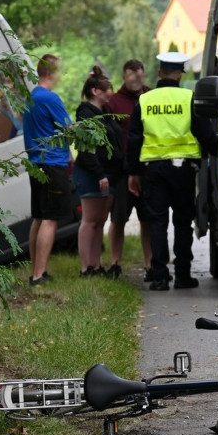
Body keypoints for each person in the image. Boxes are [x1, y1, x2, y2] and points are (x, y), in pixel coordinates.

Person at [127, 52, 216, 291]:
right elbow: (204, 132)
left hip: (153, 171)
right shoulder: (188, 97)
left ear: (159, 73)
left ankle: (159, 277)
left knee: (157, 222)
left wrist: (133, 173)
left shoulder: (144, 100)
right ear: (180, 74)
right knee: (182, 221)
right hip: (183, 170)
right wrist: (216, 150)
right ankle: (183, 275)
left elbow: (134, 140)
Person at [23, 54, 72, 285]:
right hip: (53, 163)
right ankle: (39, 275)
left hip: (36, 163)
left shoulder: (30, 97)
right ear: (51, 73)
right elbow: (69, 128)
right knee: (50, 219)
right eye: (59, 70)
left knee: (40, 217)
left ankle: (36, 270)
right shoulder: (50, 98)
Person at [72, 66, 125, 278]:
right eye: (107, 89)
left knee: (101, 220)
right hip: (93, 174)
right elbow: (86, 149)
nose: (111, 93)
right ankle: (86, 267)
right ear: (95, 91)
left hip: (110, 174)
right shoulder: (85, 114)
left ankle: (96, 264)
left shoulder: (104, 113)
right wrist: (99, 174)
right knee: (90, 220)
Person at [107, 59, 152, 281]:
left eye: (139, 75)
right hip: (123, 172)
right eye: (131, 76)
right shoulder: (114, 103)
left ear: (144, 75)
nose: (136, 80)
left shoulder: (151, 97)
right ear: (124, 77)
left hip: (148, 169)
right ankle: (115, 262)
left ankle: (150, 263)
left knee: (148, 219)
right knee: (118, 219)